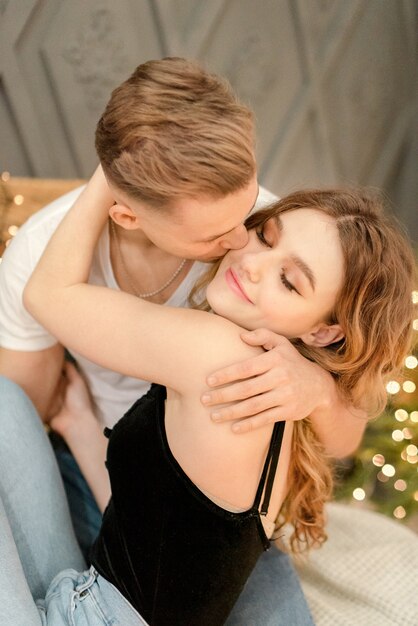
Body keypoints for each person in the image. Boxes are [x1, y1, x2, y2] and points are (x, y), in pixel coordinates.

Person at [0, 58, 363, 623]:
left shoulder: (269, 240)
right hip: (117, 477)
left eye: (250, 216)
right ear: (126, 214)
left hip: (205, 503)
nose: (243, 242)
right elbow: (27, 403)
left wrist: (316, 385)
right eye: (219, 233)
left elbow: (349, 432)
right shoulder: (43, 254)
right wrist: (119, 161)